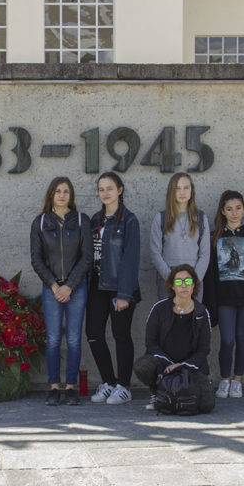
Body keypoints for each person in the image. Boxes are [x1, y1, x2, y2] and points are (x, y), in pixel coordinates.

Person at [30, 177, 93, 406]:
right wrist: (55, 285)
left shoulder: (80, 220)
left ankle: (71, 387)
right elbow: (36, 259)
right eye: (58, 191)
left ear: (71, 195)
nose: (62, 195)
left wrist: (70, 285)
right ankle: (54, 387)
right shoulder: (40, 222)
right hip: (51, 289)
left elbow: (87, 257)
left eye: (66, 191)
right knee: (54, 339)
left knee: (75, 339)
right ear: (51, 194)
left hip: (76, 288)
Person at [203, 190, 244, 399]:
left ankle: (238, 381)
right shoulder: (215, 237)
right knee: (227, 340)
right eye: (229, 209)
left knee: (242, 338)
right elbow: (210, 273)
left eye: (238, 208)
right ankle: (224, 379)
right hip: (224, 299)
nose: (234, 212)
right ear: (223, 211)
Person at [86, 172, 140, 405]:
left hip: (120, 288)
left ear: (120, 190)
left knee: (121, 336)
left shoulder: (129, 220)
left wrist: (124, 294)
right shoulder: (95, 220)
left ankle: (124, 386)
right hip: (97, 286)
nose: (105, 193)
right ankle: (109, 381)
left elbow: (131, 258)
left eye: (109, 188)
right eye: (101, 189)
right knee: (94, 334)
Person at [134, 264, 215, 413]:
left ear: (193, 285)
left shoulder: (202, 312)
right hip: (163, 365)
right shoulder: (159, 309)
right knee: (142, 365)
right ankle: (157, 393)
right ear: (172, 286)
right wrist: (169, 363)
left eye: (188, 281)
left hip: (190, 367)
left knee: (207, 405)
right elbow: (151, 343)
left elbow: (204, 350)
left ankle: (179, 394)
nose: (184, 285)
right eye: (178, 282)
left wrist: (182, 365)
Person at [149, 172, 210, 301]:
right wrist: (172, 279)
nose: (182, 192)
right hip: (168, 278)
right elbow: (155, 253)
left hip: (193, 277)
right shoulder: (161, 218)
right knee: (168, 319)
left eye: (186, 187)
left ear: (191, 190)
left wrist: (194, 280)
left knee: (191, 319)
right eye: (177, 188)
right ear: (171, 191)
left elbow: (205, 253)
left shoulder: (200, 218)